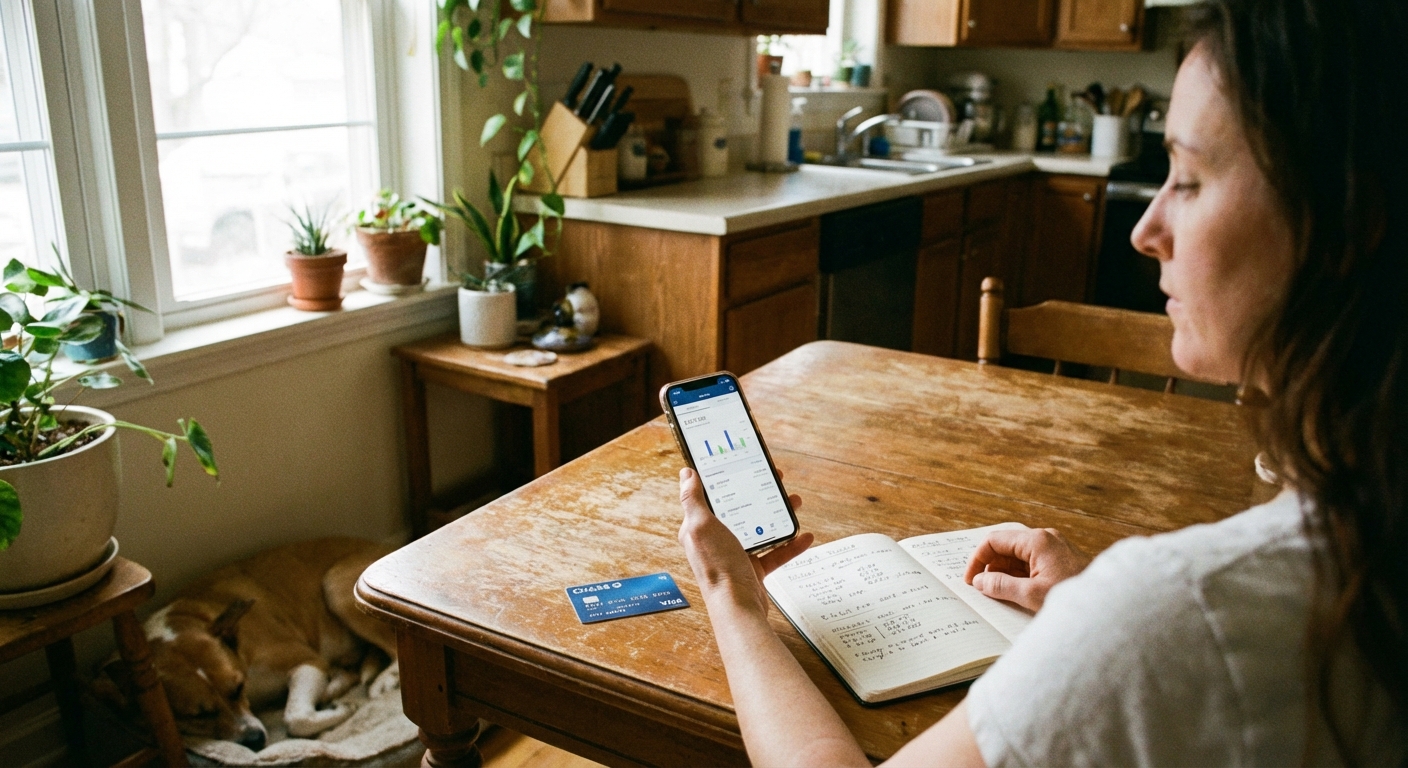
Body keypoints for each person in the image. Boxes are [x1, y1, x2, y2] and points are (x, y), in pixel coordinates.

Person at [675, 1, 1407, 765]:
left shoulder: (1188, 609)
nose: (1146, 229)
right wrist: (1084, 616)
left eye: (1188, 179)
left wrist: (735, 599)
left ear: (1347, 221)